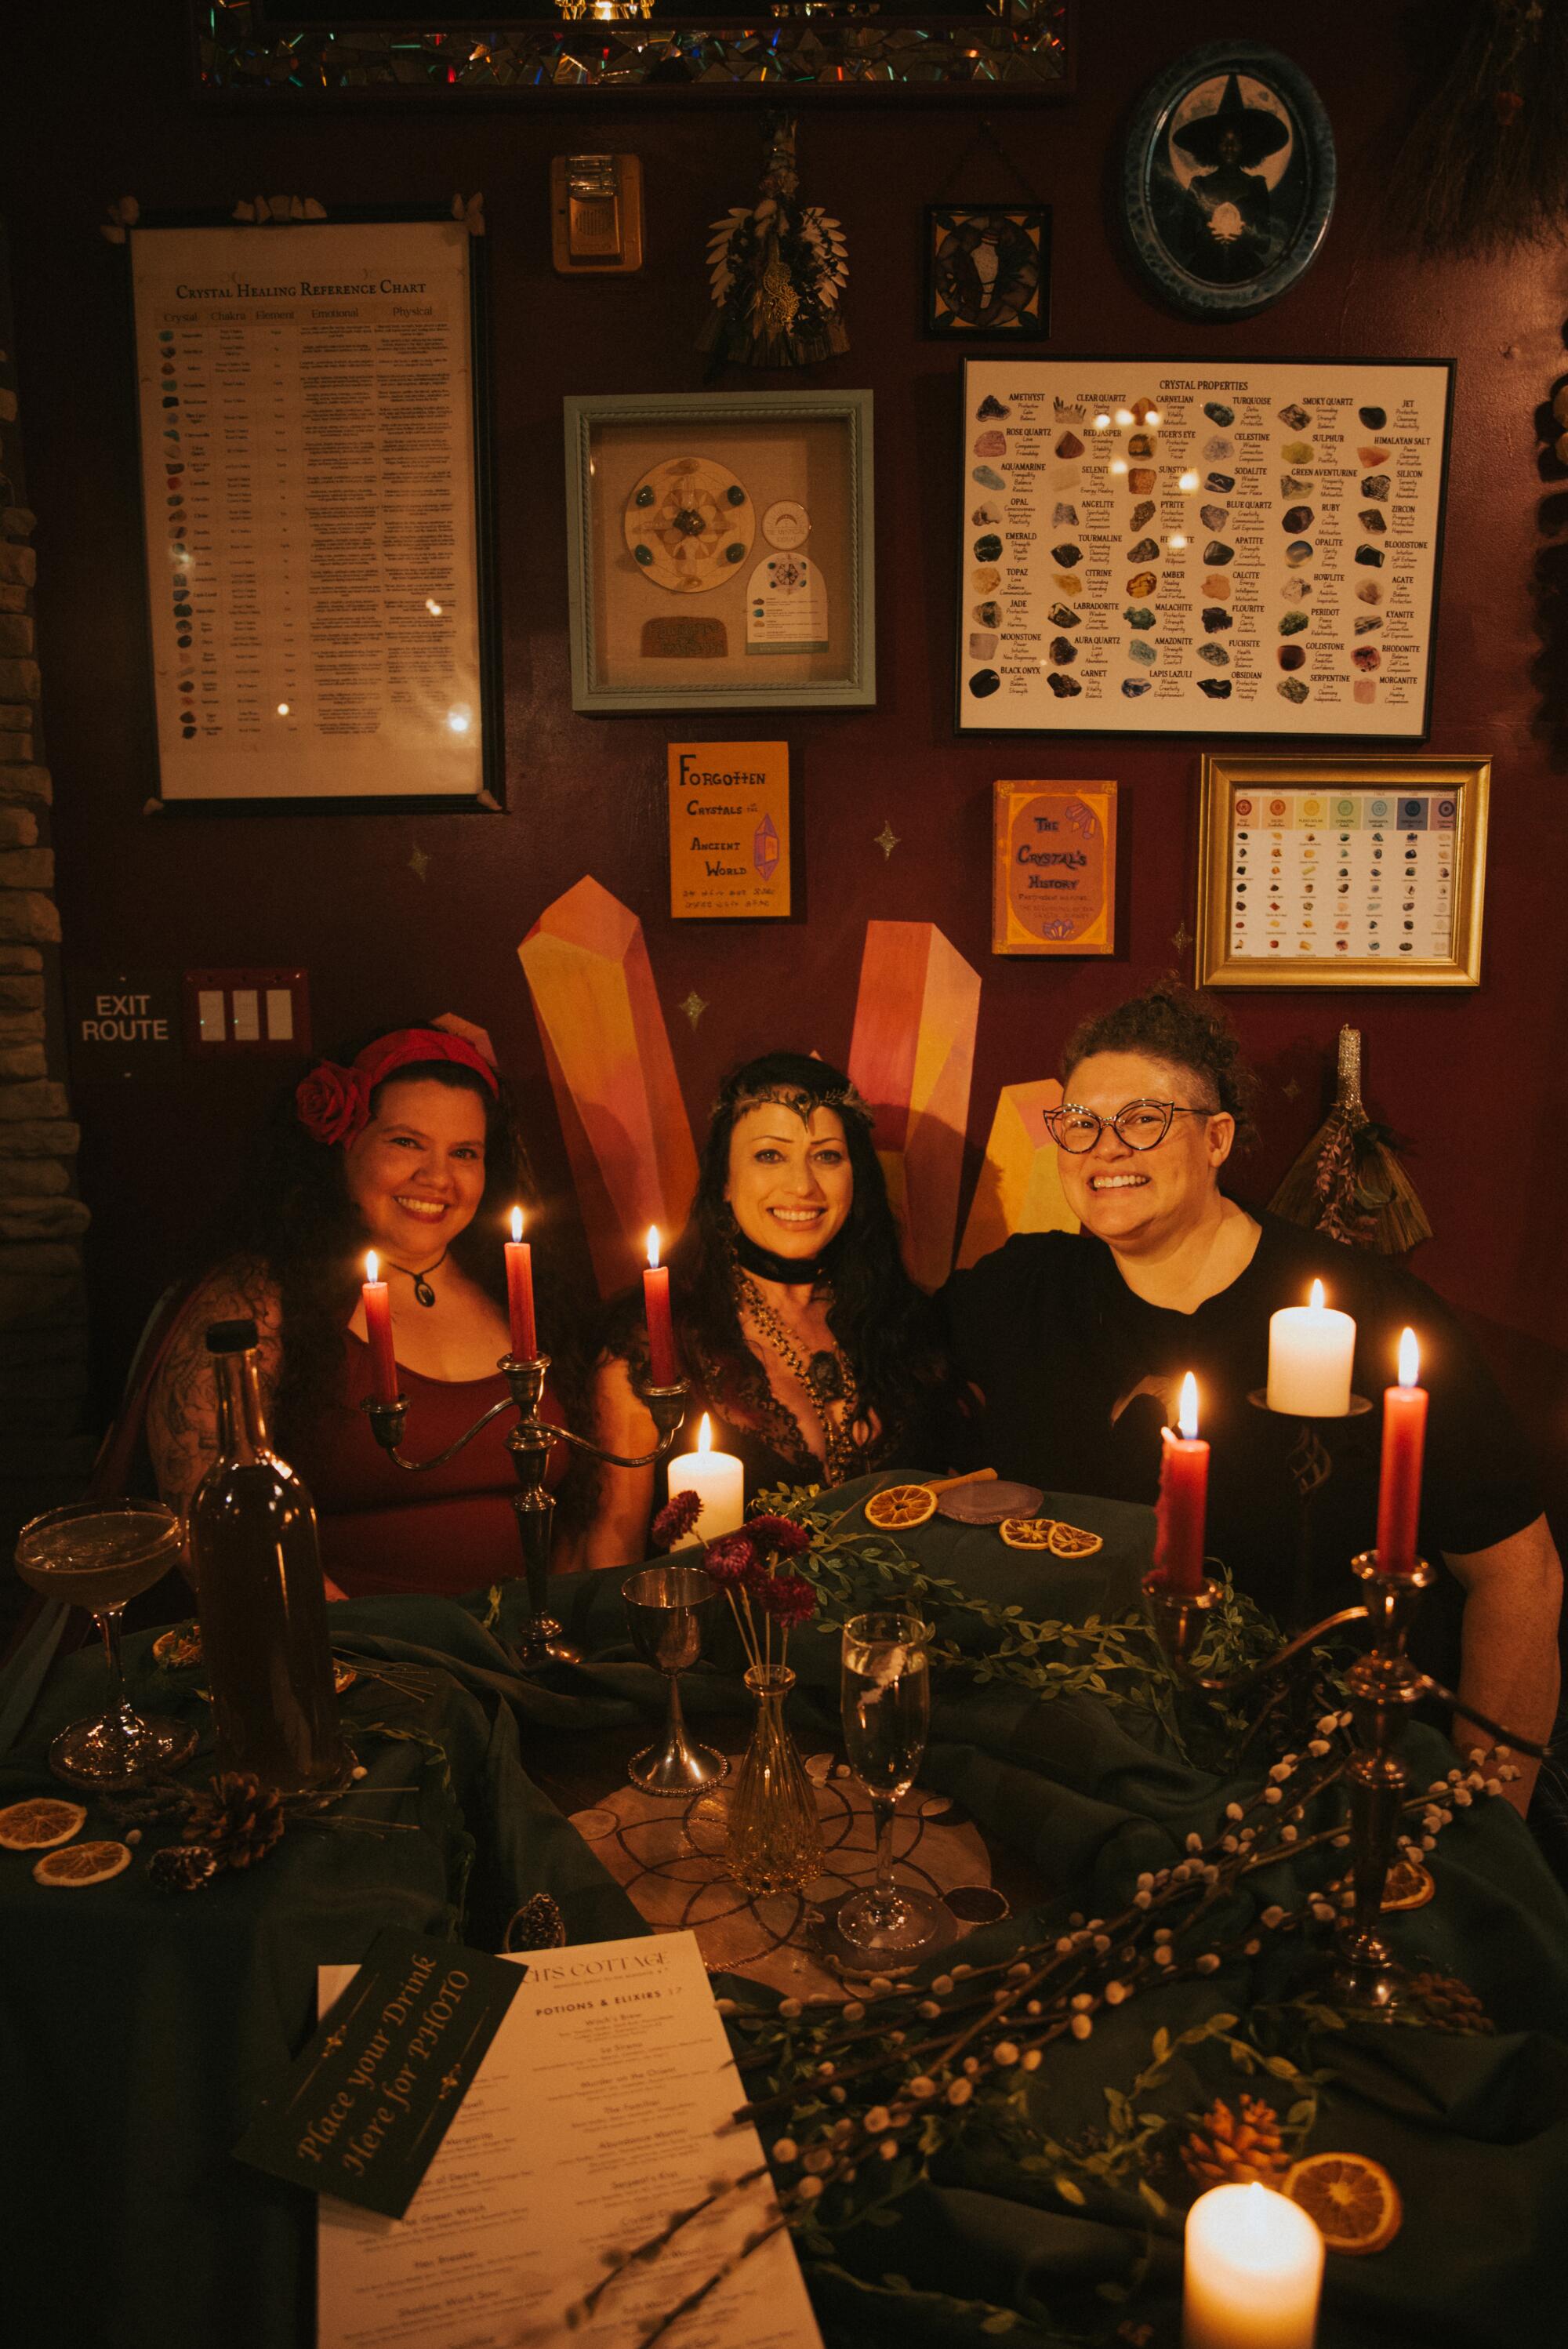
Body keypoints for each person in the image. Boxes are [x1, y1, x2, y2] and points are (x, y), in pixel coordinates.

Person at [942, 983, 1561, 1813]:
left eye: (1142, 1118)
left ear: (1217, 1136)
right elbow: (865, 1341)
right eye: (1078, 1122)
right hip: (1080, 1766)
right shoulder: (1021, 1291)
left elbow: (1517, 1575)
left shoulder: (1362, 1308)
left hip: (1317, 1769)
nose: (1102, 1147)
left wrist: (1481, 1819)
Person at [147, 1021, 568, 1599]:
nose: (438, 1178)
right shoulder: (259, 1300)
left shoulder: (519, 1287)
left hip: (526, 1652)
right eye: (406, 1142)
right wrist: (377, 1654)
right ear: (341, 1145)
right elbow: (210, 1527)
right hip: (356, 1661)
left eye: (464, 1152)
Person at [578, 1051, 960, 1567]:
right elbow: (608, 1552)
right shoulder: (656, 1340)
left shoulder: (905, 1322)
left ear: (857, 1176)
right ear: (725, 1181)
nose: (802, 1186)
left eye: (826, 1155)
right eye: (769, 1155)